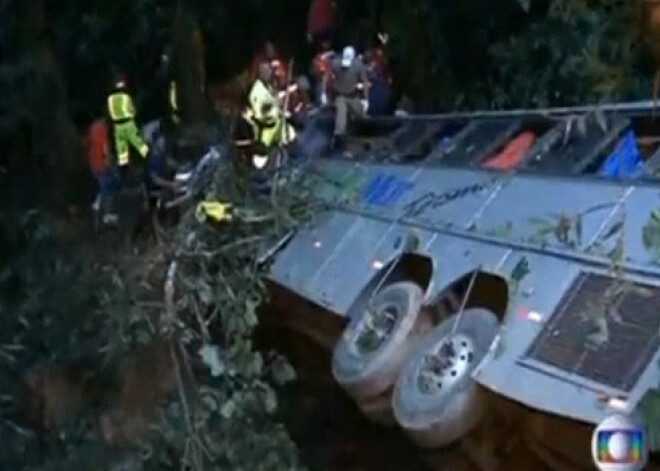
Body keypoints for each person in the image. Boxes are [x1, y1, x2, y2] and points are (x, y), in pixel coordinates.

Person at [244, 62, 296, 168]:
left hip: (274, 121)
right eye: (266, 71)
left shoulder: (266, 86)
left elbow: (272, 102)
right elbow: (264, 108)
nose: (269, 73)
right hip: (268, 124)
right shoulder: (257, 89)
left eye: (269, 70)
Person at [323, 46, 369, 150]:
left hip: (353, 96)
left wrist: (365, 99)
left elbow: (365, 82)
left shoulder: (358, 65)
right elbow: (326, 77)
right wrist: (323, 93)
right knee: (340, 120)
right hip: (341, 96)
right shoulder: (336, 63)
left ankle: (360, 130)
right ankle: (338, 141)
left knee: (360, 115)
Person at [106, 76, 150, 172]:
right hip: (128, 123)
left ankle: (124, 169)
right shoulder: (126, 97)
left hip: (117, 126)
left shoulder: (110, 99)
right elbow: (132, 110)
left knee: (122, 148)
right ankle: (148, 158)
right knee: (138, 143)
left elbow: (109, 114)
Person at [85, 118, 119, 223]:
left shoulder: (92, 132)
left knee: (100, 189)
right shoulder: (103, 132)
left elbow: (87, 148)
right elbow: (106, 151)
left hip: (93, 167)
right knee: (109, 189)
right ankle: (106, 215)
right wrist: (111, 165)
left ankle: (97, 208)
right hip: (102, 167)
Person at [311, 39, 335, 106]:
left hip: (332, 81)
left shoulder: (333, 55)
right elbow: (314, 69)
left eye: (327, 43)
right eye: (324, 43)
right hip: (321, 81)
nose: (325, 45)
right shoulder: (318, 57)